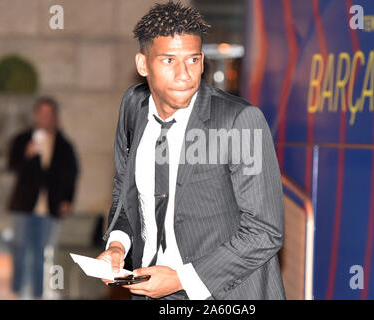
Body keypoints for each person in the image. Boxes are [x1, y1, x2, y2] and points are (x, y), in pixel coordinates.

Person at [97, 1, 285, 300]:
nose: (185, 75)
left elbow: (265, 231)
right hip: (148, 290)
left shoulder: (239, 121)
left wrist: (181, 279)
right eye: (169, 60)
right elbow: (125, 189)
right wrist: (118, 245)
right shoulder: (134, 107)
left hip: (223, 295)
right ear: (143, 64)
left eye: (193, 60)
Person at [7, 97, 79, 299]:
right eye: (42, 112)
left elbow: (71, 175)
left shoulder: (64, 145)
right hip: (24, 205)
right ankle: (17, 290)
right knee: (20, 249)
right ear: (35, 115)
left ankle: (37, 293)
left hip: (50, 206)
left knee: (41, 252)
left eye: (49, 113)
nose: (45, 117)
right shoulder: (22, 139)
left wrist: (67, 200)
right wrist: (27, 154)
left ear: (54, 116)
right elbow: (12, 166)